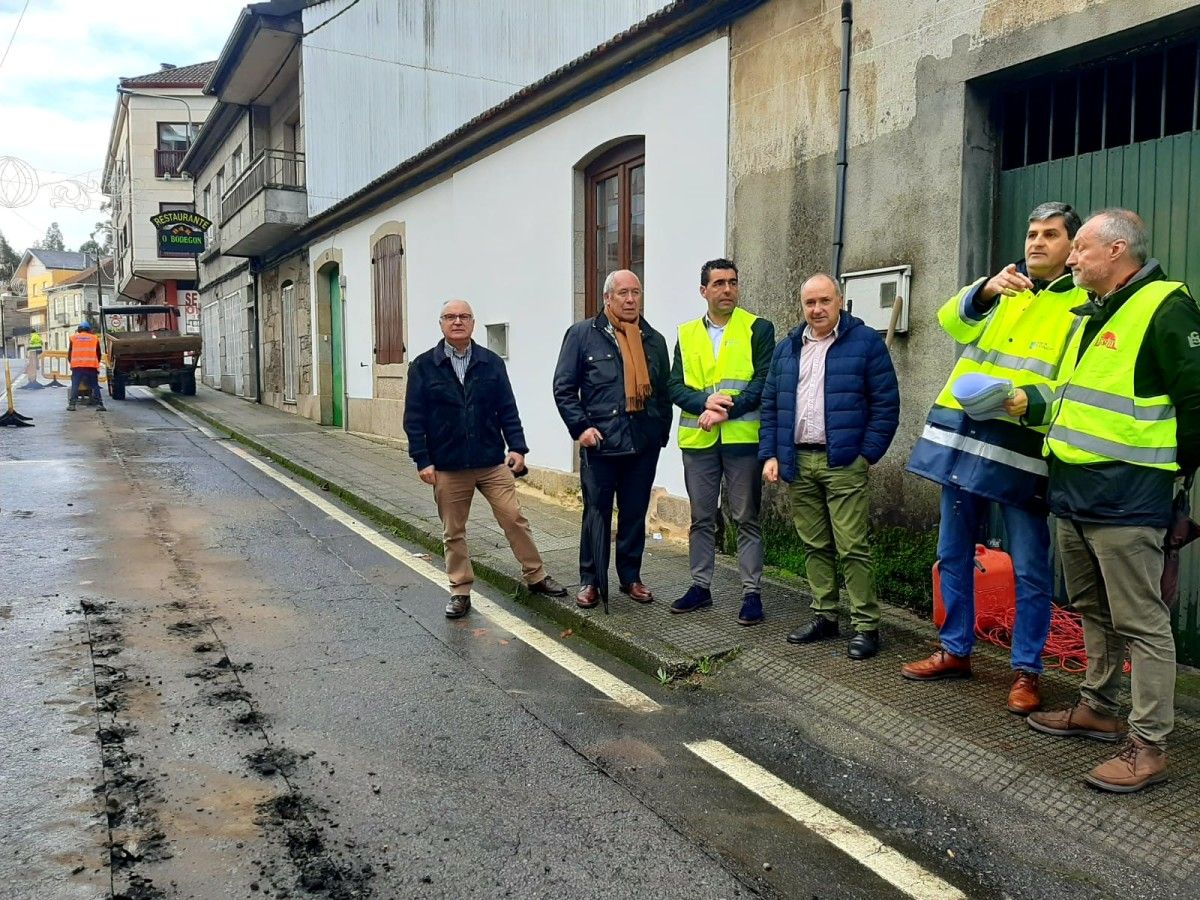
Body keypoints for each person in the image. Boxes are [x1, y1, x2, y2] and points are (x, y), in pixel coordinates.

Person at [1018, 209, 1200, 793]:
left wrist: (1178, 485)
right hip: (1074, 495)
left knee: (1143, 624)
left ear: (1117, 251)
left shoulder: (1167, 307)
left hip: (1127, 499)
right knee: (1094, 611)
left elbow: (1197, 405)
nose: (1070, 258)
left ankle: (1148, 747)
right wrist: (1025, 403)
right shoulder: (1089, 314)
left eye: (1081, 250)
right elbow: (1079, 404)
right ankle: (1097, 706)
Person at [902, 202, 1087, 713]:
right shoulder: (1004, 290)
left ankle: (1027, 671)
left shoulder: (1083, 306)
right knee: (952, 551)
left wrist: (1027, 399)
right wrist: (985, 288)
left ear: (1072, 246)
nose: (1037, 243)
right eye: (1031, 233)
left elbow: (1070, 384)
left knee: (1030, 566)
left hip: (1022, 449)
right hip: (963, 439)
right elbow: (950, 323)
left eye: (1051, 235)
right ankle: (954, 650)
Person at [759, 274, 899, 659]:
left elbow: (886, 405)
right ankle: (825, 615)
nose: (817, 309)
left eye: (824, 301)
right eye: (809, 303)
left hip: (843, 461)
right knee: (815, 544)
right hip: (798, 460)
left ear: (840, 300)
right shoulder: (787, 348)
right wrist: (770, 454)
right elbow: (772, 405)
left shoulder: (865, 343)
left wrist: (865, 454)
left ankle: (866, 626)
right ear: (801, 306)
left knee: (852, 546)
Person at [403, 299, 568, 618]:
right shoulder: (423, 367)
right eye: (450, 317)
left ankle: (536, 576)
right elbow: (414, 419)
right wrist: (422, 460)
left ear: (473, 323)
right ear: (441, 324)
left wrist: (517, 448)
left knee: (514, 518)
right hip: (448, 466)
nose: (457, 321)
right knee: (453, 531)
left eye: (464, 316)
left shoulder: (491, 363)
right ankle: (460, 590)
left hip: (492, 462)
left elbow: (508, 408)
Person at [552, 269, 672, 609]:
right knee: (596, 513)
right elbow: (563, 388)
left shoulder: (653, 340)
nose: (631, 299)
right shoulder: (581, 335)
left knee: (634, 513)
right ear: (608, 298)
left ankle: (630, 577)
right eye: (623, 293)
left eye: (636, 292)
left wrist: (659, 434)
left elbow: (663, 394)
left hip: (641, 445)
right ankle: (590, 581)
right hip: (600, 444)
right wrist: (581, 429)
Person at [669, 259, 775, 624]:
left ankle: (751, 593)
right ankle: (700, 587)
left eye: (732, 282)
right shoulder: (685, 333)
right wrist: (703, 403)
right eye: (718, 284)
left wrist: (725, 411)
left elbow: (764, 381)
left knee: (746, 517)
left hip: (742, 440)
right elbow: (674, 386)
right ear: (704, 291)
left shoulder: (757, 328)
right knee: (701, 517)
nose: (727, 289)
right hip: (699, 441)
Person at [67, 321, 105, 412]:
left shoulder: (73, 338)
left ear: (79, 330)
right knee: (95, 385)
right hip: (91, 366)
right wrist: (96, 363)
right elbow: (98, 354)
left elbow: (70, 354)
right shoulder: (94, 338)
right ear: (89, 330)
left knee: (75, 385)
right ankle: (100, 404)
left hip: (77, 366)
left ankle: (72, 405)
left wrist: (72, 364)